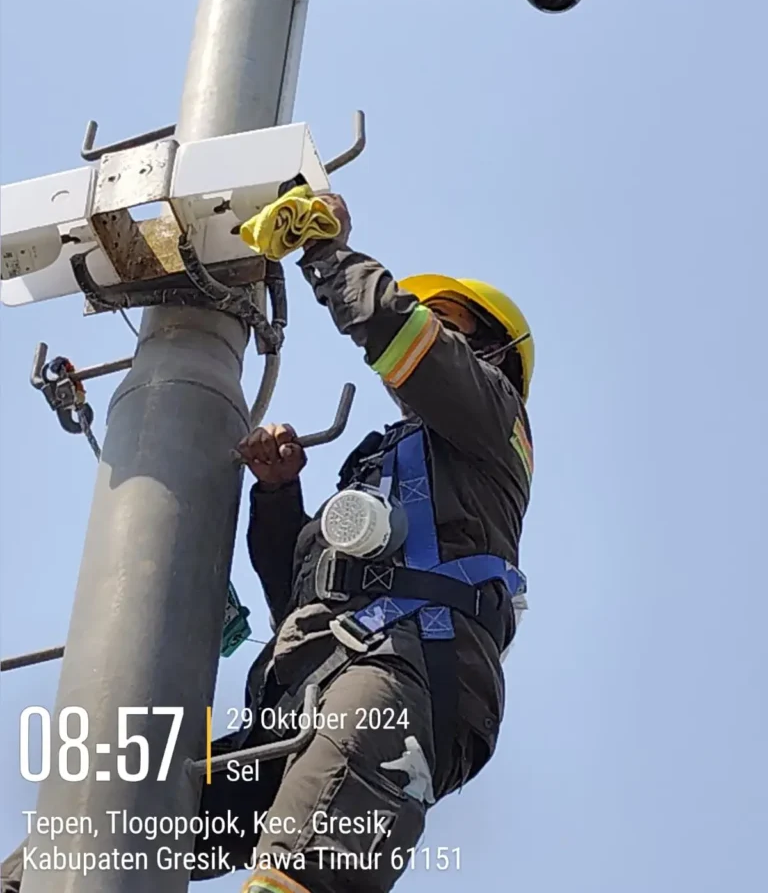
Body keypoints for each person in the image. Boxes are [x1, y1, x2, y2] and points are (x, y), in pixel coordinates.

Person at [0, 193, 535, 893]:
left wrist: (325, 249)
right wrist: (279, 496)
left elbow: (401, 335)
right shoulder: (395, 466)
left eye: (447, 322)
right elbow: (302, 602)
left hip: (406, 676)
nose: (428, 326)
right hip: (311, 692)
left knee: (301, 874)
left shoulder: (494, 423)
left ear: (491, 351)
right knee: (86, 841)